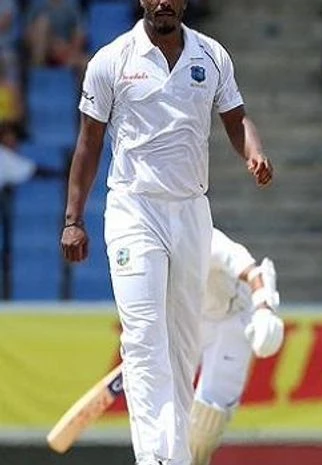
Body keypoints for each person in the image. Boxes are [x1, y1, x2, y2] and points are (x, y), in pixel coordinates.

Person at [60, 1, 274, 464]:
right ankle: (154, 456)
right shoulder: (111, 60)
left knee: (181, 342)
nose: (163, 2)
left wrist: (252, 152)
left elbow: (236, 120)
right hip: (134, 210)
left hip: (192, 211)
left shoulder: (211, 55)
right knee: (143, 336)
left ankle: (172, 455)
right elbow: (89, 143)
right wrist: (73, 219)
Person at [189, 228, 283, 465]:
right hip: (188, 322)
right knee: (163, 405)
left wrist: (264, 308)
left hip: (231, 319)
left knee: (207, 417)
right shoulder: (152, 241)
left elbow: (253, 273)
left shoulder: (208, 239)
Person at [25, 0, 87, 71]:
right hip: (44, 50)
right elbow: (27, 33)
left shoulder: (71, 5)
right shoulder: (37, 4)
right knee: (42, 24)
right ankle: (38, 72)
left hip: (66, 50)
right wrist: (52, 44)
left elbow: (80, 32)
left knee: (87, 63)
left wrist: (67, 48)